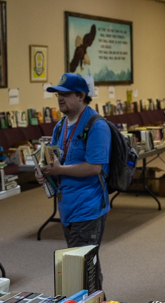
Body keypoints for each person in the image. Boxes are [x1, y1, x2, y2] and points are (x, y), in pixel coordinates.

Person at [34, 73, 111, 247]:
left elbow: (94, 168)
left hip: (88, 208)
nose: (60, 99)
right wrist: (42, 172)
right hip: (67, 207)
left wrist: (59, 170)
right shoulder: (60, 126)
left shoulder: (97, 126)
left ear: (81, 96)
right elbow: (50, 158)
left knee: (79, 267)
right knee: (84, 268)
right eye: (58, 94)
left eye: (66, 94)